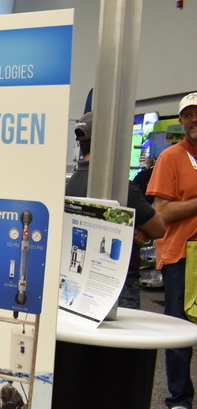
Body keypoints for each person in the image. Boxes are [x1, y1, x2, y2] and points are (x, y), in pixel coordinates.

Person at [64, 110, 164, 309]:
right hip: (118, 287)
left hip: (78, 282)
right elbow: (159, 228)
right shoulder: (120, 188)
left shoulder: (71, 185)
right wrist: (137, 228)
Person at [146, 92, 197, 409]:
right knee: (180, 329)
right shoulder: (170, 158)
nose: (194, 119)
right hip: (182, 254)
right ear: (180, 122)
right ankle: (179, 402)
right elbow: (161, 213)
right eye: (188, 115)